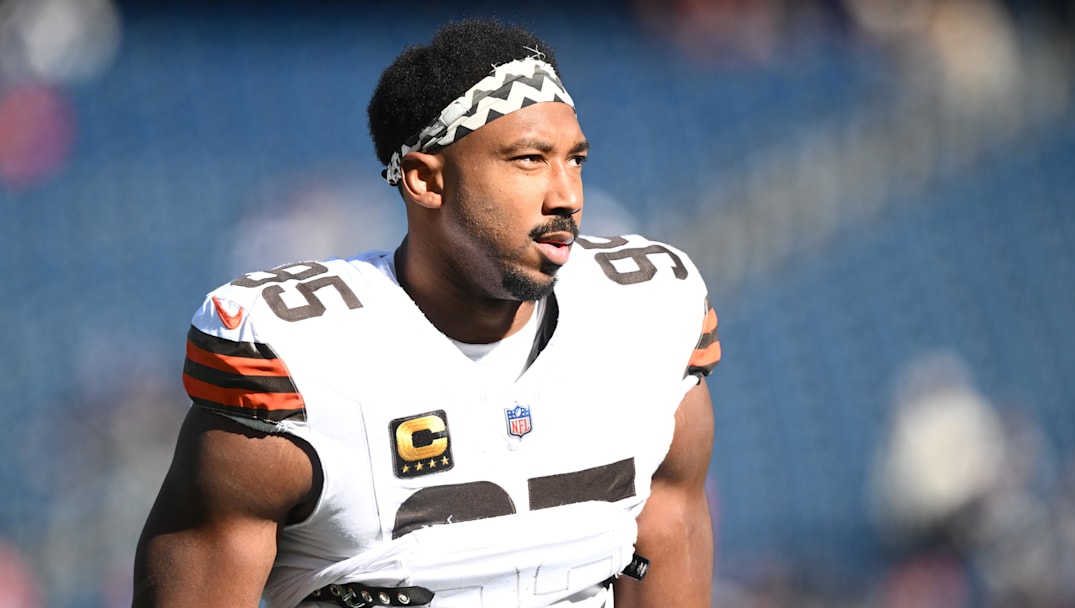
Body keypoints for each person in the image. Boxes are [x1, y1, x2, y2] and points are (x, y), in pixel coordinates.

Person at [133, 18, 720, 608]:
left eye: (576, 159)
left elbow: (666, 536)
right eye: (528, 159)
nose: (567, 195)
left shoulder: (649, 313)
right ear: (424, 179)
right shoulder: (299, 358)